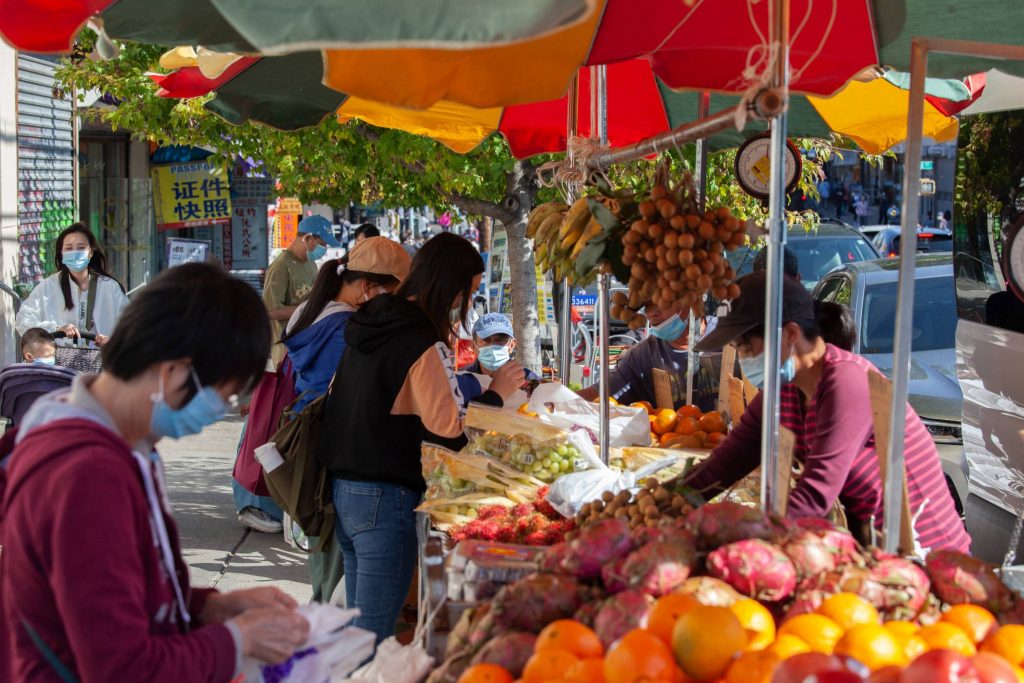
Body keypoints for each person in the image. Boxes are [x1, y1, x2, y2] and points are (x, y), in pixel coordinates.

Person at [0, 263, 310, 682]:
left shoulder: (103, 436)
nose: (228, 408)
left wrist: (206, 607)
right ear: (173, 373)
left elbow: (115, 592)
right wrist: (237, 641)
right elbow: (121, 667)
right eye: (225, 394)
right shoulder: (88, 474)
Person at [316, 233, 525, 644]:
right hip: (385, 497)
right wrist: (497, 393)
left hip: (344, 492)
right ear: (450, 286)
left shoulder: (369, 322)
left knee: (356, 638)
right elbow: (450, 433)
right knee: (373, 639)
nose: (463, 304)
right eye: (468, 293)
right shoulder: (421, 339)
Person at [683, 271, 971, 553]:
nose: (743, 358)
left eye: (746, 347)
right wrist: (669, 501)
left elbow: (815, 495)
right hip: (868, 551)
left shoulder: (847, 381)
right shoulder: (784, 391)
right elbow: (725, 463)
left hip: (925, 557)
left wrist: (729, 539)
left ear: (791, 334)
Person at [280, 238, 411, 604]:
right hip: (341, 442)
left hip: (311, 439)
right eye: (391, 292)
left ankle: (320, 624)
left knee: (325, 552)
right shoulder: (348, 327)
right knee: (341, 566)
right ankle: (328, 644)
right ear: (367, 287)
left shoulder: (308, 311)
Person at [577, 301, 719, 412]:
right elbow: (596, 395)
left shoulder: (731, 339)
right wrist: (558, 398)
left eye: (662, 301)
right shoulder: (641, 356)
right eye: (647, 306)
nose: (652, 313)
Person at [15, 222, 128, 347]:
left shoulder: (110, 288)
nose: (75, 253)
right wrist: (55, 328)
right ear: (61, 253)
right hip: (59, 363)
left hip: (101, 363)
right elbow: (23, 321)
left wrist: (112, 341)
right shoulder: (48, 287)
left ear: (90, 252)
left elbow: (131, 327)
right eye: (69, 248)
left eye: (81, 247)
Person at [263, 215, 340, 369]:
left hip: (309, 346)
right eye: (322, 244)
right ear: (308, 238)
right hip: (288, 352)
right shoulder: (280, 267)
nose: (324, 249)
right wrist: (307, 309)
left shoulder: (311, 264)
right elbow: (269, 310)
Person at [457, 313, 541, 404]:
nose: (493, 346)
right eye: (486, 340)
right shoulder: (462, 380)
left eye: (500, 340)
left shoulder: (530, 382)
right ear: (473, 346)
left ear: (511, 345)